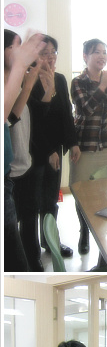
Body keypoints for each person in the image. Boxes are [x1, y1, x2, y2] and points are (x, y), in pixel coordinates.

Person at [70, 38, 107, 256]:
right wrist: (103, 85)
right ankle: (84, 231)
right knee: (81, 191)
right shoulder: (78, 82)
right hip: (84, 144)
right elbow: (85, 109)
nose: (102, 56)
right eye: (96, 52)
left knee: (104, 192)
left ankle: (101, 231)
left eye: (104, 52)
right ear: (85, 56)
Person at [28, 35, 80, 260]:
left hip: (55, 149)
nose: (50, 57)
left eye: (53, 53)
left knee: (50, 198)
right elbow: (32, 123)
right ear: (34, 56)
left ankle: (50, 242)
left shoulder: (59, 79)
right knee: (32, 202)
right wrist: (48, 151)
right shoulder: (27, 79)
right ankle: (31, 251)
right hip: (34, 150)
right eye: (44, 53)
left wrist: (72, 142)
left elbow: (66, 113)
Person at [5, 29, 45, 271]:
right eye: (15, 46)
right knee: (16, 263)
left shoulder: (13, 80)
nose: (20, 52)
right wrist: (20, 68)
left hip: (9, 174)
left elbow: (10, 118)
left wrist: (27, 85)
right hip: (8, 175)